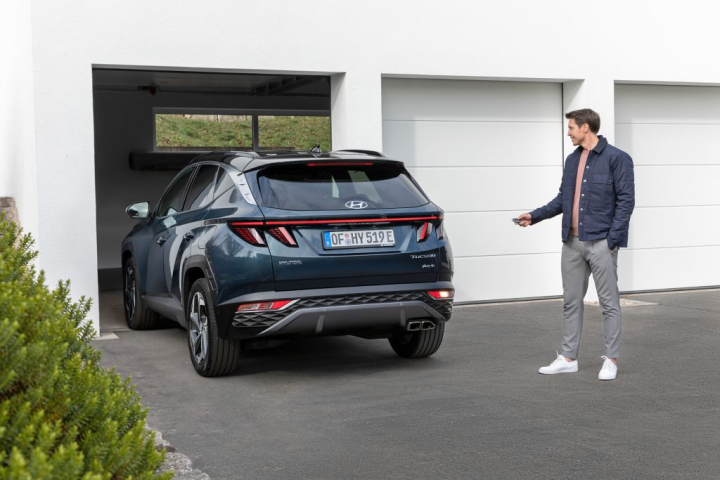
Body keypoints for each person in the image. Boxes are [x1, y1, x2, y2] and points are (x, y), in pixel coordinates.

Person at [516, 108, 635, 381]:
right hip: (571, 243)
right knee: (571, 302)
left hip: (601, 242)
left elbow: (626, 201)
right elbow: (563, 199)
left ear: (585, 127)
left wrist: (612, 240)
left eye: (571, 127)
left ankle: (611, 360)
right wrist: (534, 216)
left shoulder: (617, 158)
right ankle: (569, 358)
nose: (568, 132)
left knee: (609, 303)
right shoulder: (572, 160)